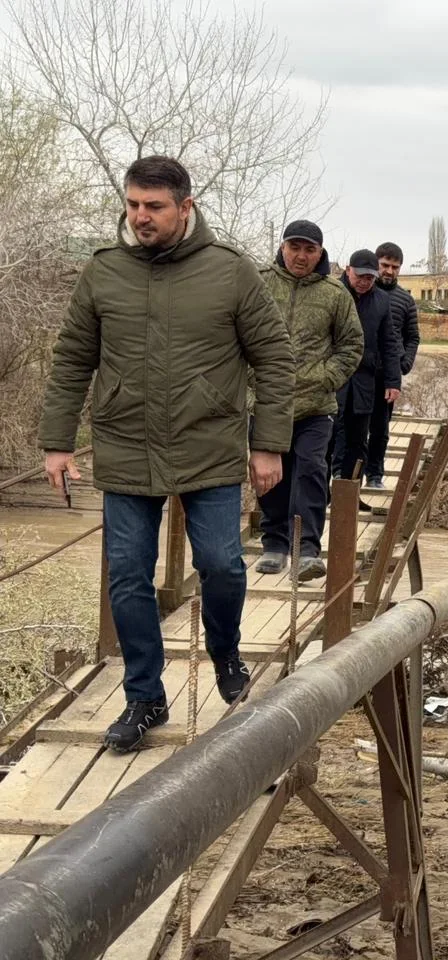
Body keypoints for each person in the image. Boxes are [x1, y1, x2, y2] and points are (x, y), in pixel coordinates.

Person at [38, 155, 294, 752]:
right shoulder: (104, 272)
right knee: (127, 575)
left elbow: (274, 359)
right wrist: (56, 442)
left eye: (153, 206)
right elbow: (73, 358)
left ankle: (226, 654)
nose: (140, 216)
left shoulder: (230, 272)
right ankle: (144, 695)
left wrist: (269, 443)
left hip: (209, 444)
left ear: (186, 207)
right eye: (133, 204)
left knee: (223, 565)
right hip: (126, 444)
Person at [254, 220, 363, 581]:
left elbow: (351, 345)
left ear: (320, 253)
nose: (301, 256)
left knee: (312, 471)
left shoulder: (334, 294)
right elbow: (233, 334)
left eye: (309, 249)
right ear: (283, 247)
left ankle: (307, 550)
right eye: (294, 247)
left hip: (316, 406)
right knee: (270, 475)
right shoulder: (259, 283)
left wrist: (326, 378)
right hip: (267, 402)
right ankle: (274, 544)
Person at [330, 249, 401, 487]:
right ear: (348, 270)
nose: (364, 282)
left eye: (369, 278)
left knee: (359, 435)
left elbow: (389, 343)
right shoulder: (332, 292)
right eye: (360, 276)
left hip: (365, 378)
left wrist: (393, 381)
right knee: (331, 431)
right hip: (333, 376)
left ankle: (351, 487)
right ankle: (330, 482)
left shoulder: (381, 300)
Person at [365, 241, 421, 489]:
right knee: (351, 428)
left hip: (387, 375)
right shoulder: (362, 292)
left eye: (394, 267)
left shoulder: (405, 301)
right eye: (385, 265)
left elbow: (413, 337)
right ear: (377, 263)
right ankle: (345, 475)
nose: (389, 271)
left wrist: (405, 363)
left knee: (380, 429)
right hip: (359, 372)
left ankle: (375, 475)